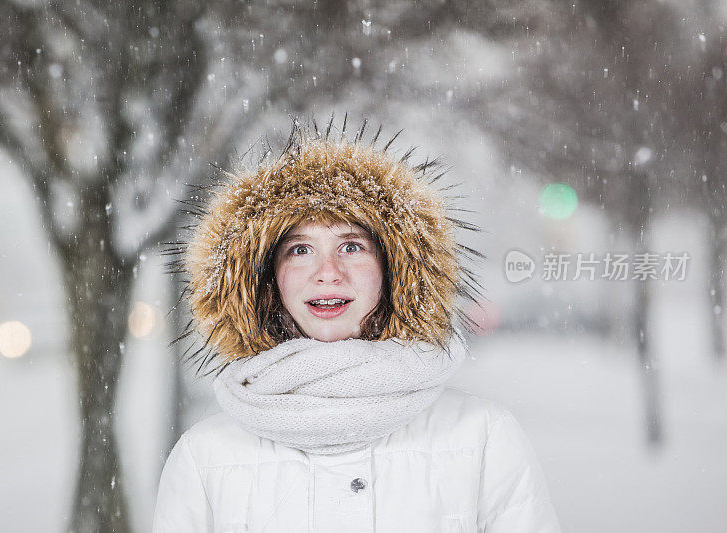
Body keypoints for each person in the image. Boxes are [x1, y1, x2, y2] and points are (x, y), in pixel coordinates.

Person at [152, 117, 562, 532]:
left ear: (393, 270)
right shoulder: (205, 458)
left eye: (351, 246)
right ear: (266, 279)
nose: (328, 272)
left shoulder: (482, 438)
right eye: (299, 249)